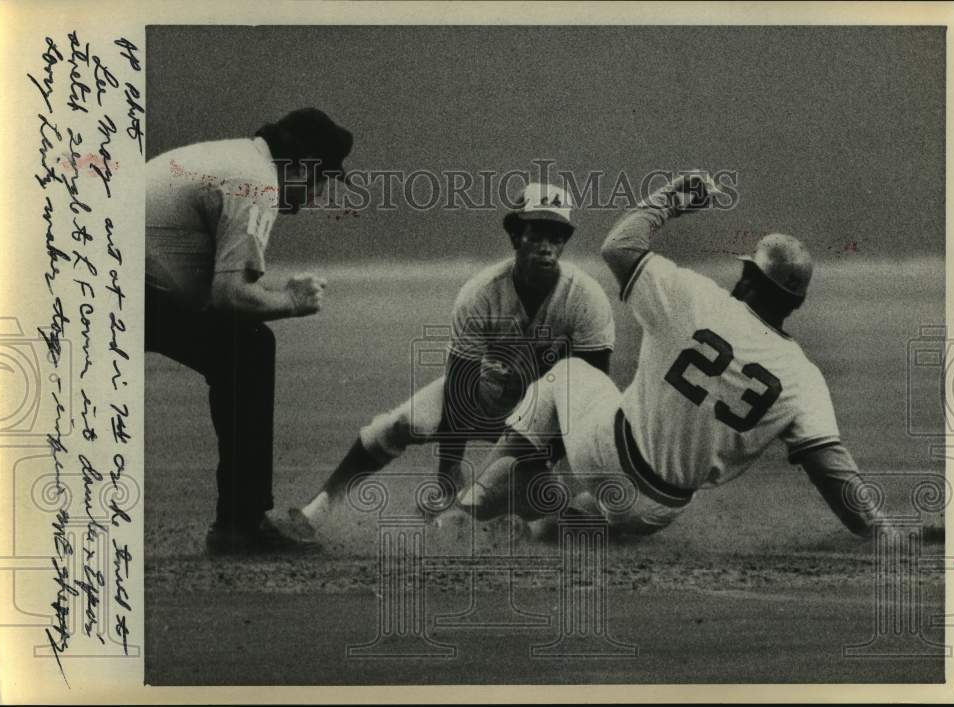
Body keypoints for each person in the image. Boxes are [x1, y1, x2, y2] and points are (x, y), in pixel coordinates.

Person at [458, 173, 890, 538]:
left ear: (748, 276)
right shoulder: (803, 378)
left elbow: (619, 246)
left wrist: (671, 198)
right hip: (652, 509)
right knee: (597, 510)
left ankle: (472, 504)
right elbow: (834, 473)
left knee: (565, 375)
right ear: (794, 304)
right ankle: (542, 523)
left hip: (605, 451)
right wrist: (884, 534)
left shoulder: (695, 298)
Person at [274, 182, 616, 538]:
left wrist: (540, 458)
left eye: (557, 236)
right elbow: (459, 386)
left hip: (546, 421)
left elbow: (592, 397)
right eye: (537, 233)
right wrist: (448, 470)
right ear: (516, 235)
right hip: (484, 398)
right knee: (395, 426)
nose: (548, 245)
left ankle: (512, 514)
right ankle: (315, 513)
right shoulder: (481, 293)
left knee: (559, 503)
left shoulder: (586, 299)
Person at [146, 107, 353, 555]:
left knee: (241, 344)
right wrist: (292, 302)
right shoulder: (257, 183)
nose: (319, 195)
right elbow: (230, 298)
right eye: (322, 181)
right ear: (301, 165)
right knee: (249, 347)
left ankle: (240, 520)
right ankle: (241, 525)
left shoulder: (237, 160)